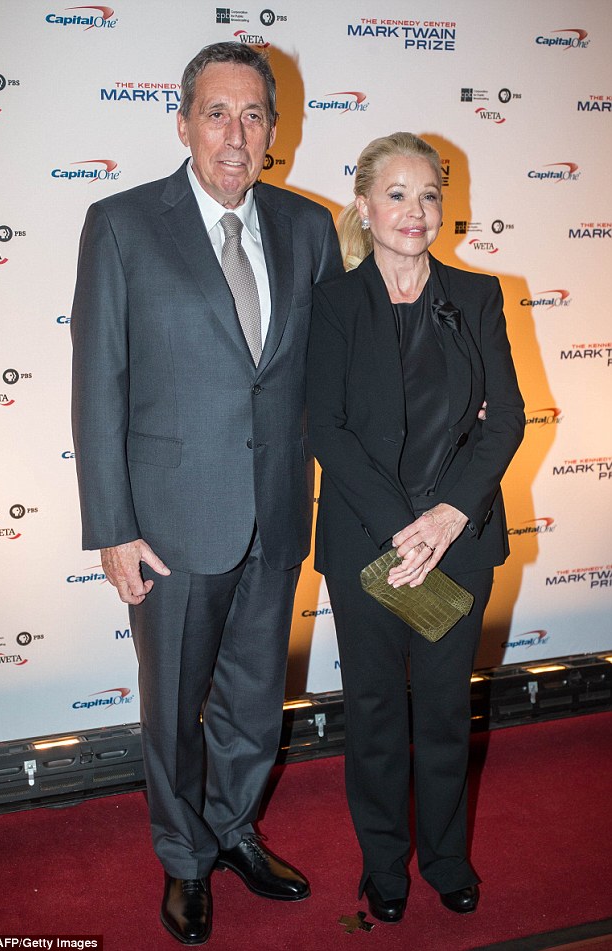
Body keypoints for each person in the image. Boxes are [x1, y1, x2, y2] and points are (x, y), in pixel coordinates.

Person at [71, 42, 342, 945]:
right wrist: (112, 525)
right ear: (183, 122)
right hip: (171, 524)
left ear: (275, 130)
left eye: (253, 115)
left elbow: (334, 375)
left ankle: (231, 829)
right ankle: (183, 858)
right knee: (172, 704)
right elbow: (98, 384)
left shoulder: (309, 229)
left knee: (255, 700)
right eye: (217, 113)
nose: (236, 134)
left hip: (275, 508)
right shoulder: (121, 224)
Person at [306, 132, 524, 924]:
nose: (414, 210)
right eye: (396, 194)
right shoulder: (331, 304)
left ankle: (446, 858)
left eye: (428, 194)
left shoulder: (477, 297)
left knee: (440, 712)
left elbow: (505, 423)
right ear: (365, 205)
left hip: (459, 544)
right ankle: (384, 867)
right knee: (372, 714)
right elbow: (326, 429)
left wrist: (446, 515)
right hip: (369, 546)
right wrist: (406, 528)